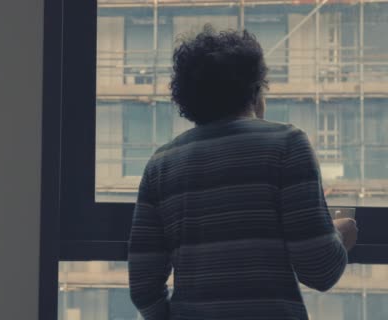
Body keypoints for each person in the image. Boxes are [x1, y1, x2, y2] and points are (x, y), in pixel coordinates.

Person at [127, 26, 358, 320]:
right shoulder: (286, 145)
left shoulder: (161, 165)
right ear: (255, 91)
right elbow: (320, 271)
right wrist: (341, 234)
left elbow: (144, 286)